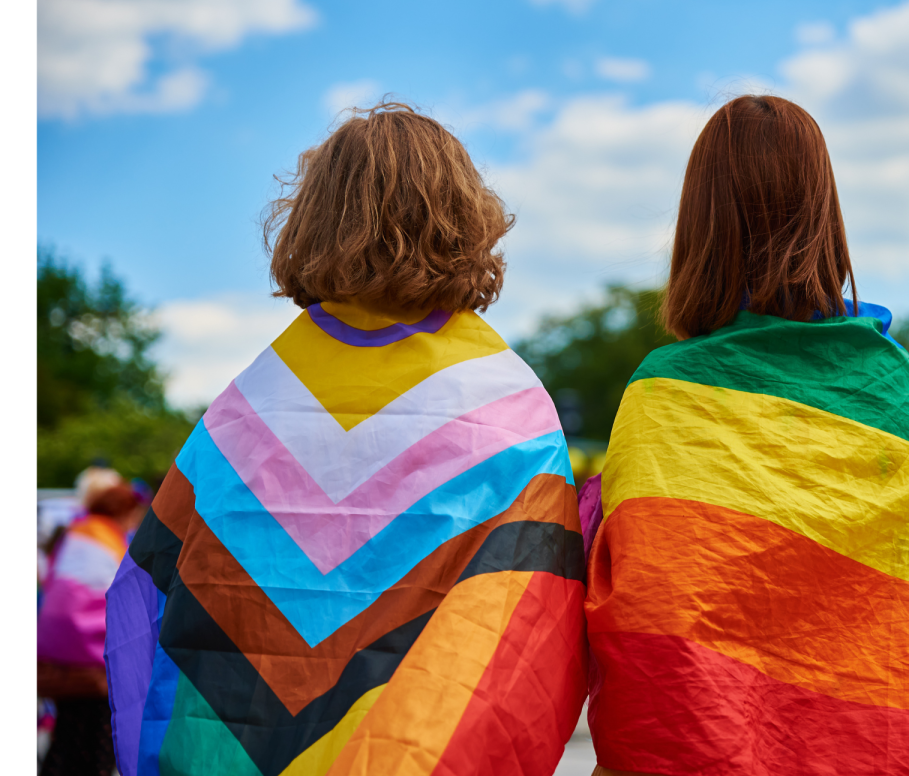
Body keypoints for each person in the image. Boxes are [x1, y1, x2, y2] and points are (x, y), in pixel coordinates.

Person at [104, 102, 587, 776]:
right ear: (466, 220)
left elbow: (146, 597)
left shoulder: (243, 411)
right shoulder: (507, 407)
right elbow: (529, 629)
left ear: (317, 220)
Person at [584, 95, 909, 775]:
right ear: (826, 213)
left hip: (693, 750)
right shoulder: (897, 392)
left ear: (700, 224)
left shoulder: (668, 391)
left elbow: (652, 599)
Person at [38, 477, 147, 776]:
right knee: (100, 743)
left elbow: (49, 583)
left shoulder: (76, 533)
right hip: (96, 662)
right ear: (125, 511)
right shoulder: (110, 539)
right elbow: (126, 595)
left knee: (65, 739)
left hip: (57, 659)